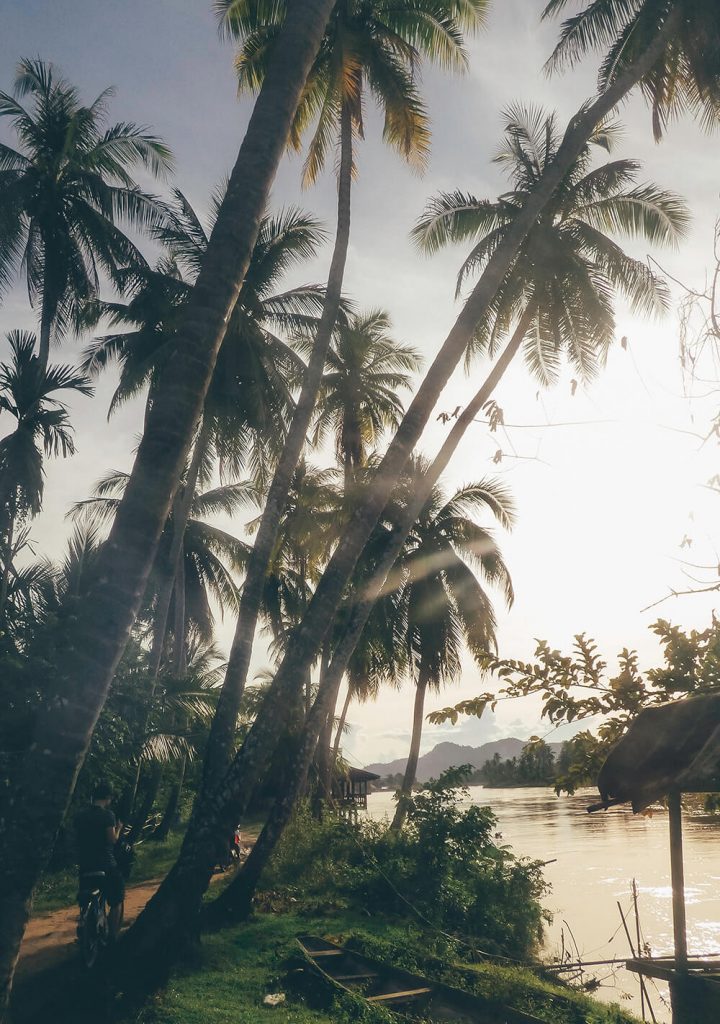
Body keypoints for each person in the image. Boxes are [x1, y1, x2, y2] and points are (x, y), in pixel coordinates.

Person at [74, 781, 125, 941]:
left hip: (85, 864)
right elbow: (111, 840)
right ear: (108, 797)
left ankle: (84, 920)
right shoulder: (107, 815)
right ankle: (112, 937)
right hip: (106, 864)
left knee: (85, 897)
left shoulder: (80, 815)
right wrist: (118, 829)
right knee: (117, 899)